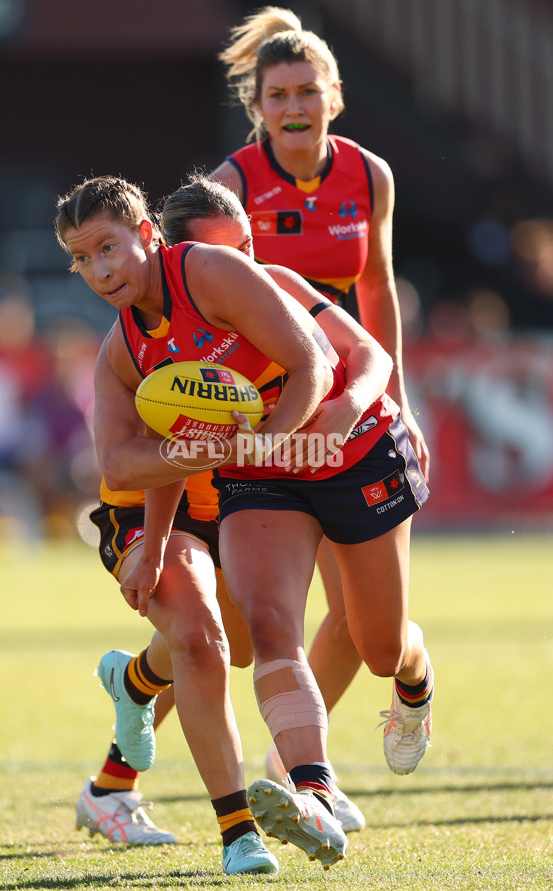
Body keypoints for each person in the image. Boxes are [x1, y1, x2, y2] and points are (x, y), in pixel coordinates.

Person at [55, 172, 429, 872]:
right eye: (83, 258)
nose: (250, 267)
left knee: (311, 645)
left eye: (250, 248)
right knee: (222, 635)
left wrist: (355, 409)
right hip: (221, 480)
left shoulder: (245, 279)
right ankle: (274, 810)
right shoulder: (130, 342)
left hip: (290, 466)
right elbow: (140, 462)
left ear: (150, 241)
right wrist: (163, 532)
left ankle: (131, 700)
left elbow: (352, 354)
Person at [211, 5, 431, 800]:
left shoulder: (370, 174)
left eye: (308, 90)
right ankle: (302, 771)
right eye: (278, 95)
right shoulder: (232, 185)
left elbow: (376, 286)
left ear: (334, 95)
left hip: (357, 408)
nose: (294, 106)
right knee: (271, 619)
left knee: (375, 641)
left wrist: (396, 398)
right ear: (258, 107)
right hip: (278, 418)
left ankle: (412, 682)